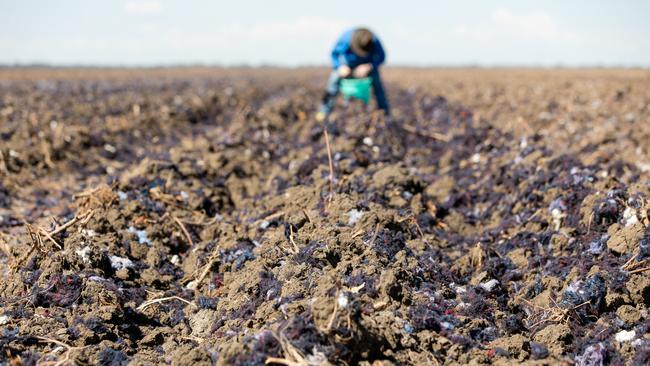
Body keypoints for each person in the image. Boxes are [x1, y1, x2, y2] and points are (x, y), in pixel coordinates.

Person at [316, 27, 389, 121]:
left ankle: (385, 113)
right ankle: (323, 112)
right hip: (347, 66)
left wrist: (370, 66)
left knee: (378, 87)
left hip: (366, 66)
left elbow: (382, 57)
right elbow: (334, 54)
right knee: (332, 85)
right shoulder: (346, 39)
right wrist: (339, 67)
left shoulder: (373, 40)